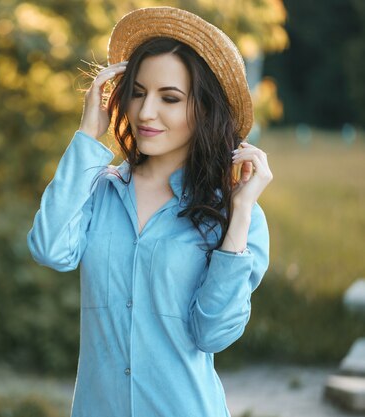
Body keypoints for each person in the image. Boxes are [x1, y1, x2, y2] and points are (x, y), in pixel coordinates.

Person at [27, 6, 272, 417]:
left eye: (170, 98)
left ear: (204, 109)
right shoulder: (98, 190)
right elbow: (50, 249)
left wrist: (240, 209)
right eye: (137, 92)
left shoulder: (233, 215)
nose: (145, 112)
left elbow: (213, 332)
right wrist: (88, 135)